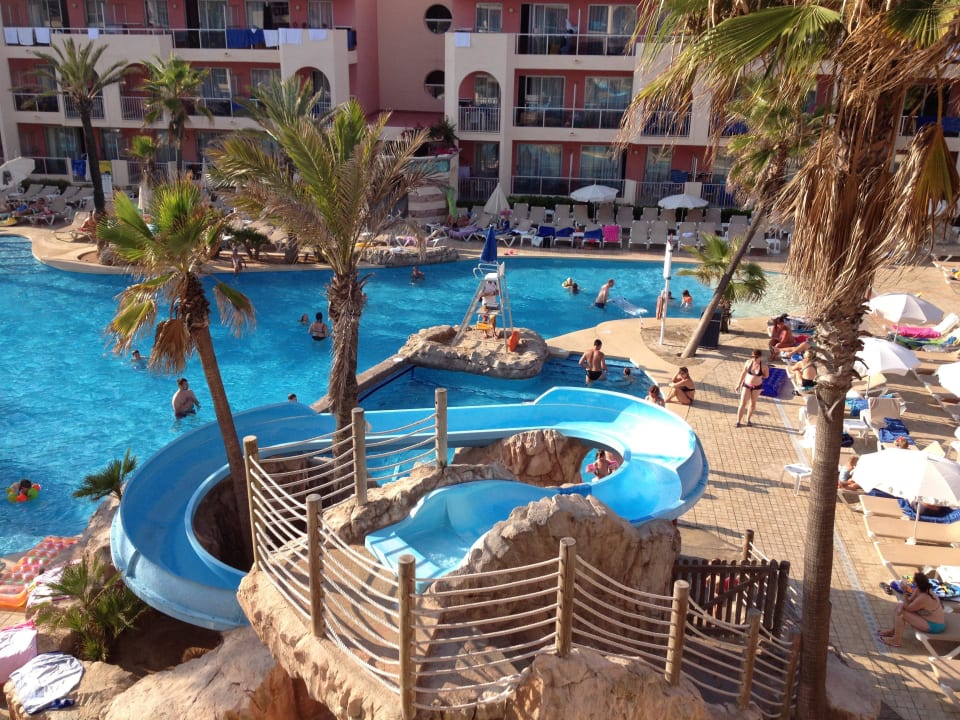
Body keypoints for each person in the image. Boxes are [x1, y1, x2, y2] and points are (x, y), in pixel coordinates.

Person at [878, 572, 946, 647]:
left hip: (934, 625)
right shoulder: (920, 589)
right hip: (928, 619)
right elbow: (909, 600)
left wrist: (904, 591)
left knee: (901, 613)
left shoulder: (923, 597)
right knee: (899, 607)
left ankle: (896, 640)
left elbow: (908, 608)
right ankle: (893, 631)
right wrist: (901, 604)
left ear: (916, 583)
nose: (912, 581)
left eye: (913, 580)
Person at [735, 349, 768, 427]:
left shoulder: (764, 366)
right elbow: (743, 373)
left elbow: (766, 376)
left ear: (760, 357)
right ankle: (738, 421)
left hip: (757, 387)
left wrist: (759, 376)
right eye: (752, 357)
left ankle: (748, 420)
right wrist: (739, 384)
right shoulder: (748, 362)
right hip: (747, 385)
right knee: (743, 403)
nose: (754, 358)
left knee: (753, 403)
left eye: (756, 357)